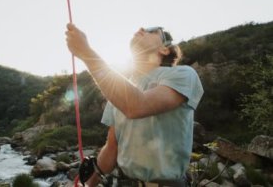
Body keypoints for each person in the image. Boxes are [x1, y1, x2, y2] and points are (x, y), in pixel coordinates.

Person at [65, 23, 204, 187]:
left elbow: (137, 106)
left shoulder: (183, 74)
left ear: (164, 50)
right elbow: (111, 148)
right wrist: (88, 185)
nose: (141, 29)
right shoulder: (119, 92)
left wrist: (86, 53)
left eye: (152, 30)